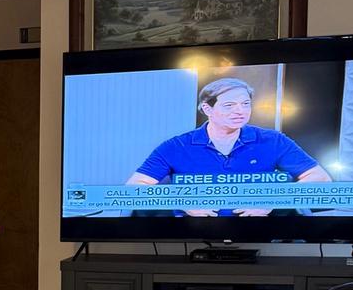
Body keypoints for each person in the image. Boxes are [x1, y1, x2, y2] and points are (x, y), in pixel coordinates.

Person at [126, 77, 331, 216]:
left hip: (262, 235)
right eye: (229, 105)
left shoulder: (273, 140)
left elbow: (320, 179)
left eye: (245, 104)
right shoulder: (177, 145)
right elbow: (134, 188)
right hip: (189, 234)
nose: (240, 111)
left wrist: (272, 201)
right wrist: (182, 202)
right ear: (207, 109)